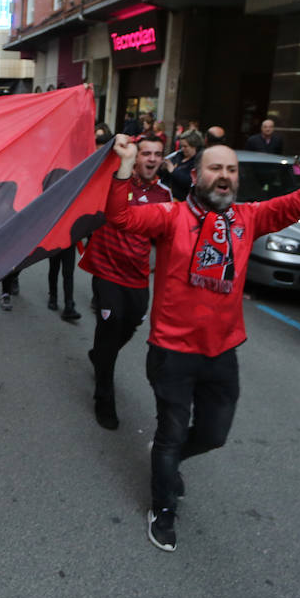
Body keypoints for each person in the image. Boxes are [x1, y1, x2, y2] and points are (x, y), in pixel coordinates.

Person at [107, 111, 300, 552]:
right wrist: (123, 168)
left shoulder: (249, 217)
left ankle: (168, 458)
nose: (225, 176)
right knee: (171, 432)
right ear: (195, 175)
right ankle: (162, 504)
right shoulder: (170, 216)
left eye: (231, 169)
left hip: (222, 353)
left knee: (213, 435)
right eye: (215, 168)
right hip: (172, 352)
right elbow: (119, 217)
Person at [81, 134, 171, 429]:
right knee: (109, 329)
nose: (152, 158)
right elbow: (90, 169)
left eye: (157, 154)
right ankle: (103, 399)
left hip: (138, 276)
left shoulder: (165, 195)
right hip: (107, 272)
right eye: (146, 153)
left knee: (130, 325)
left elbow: (166, 237)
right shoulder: (114, 180)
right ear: (136, 156)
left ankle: (99, 355)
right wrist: (116, 146)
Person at [163, 129, 202, 200]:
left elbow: (190, 182)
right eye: (181, 146)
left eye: (185, 146)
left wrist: (173, 171)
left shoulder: (199, 161)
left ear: (194, 146)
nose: (182, 149)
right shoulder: (179, 155)